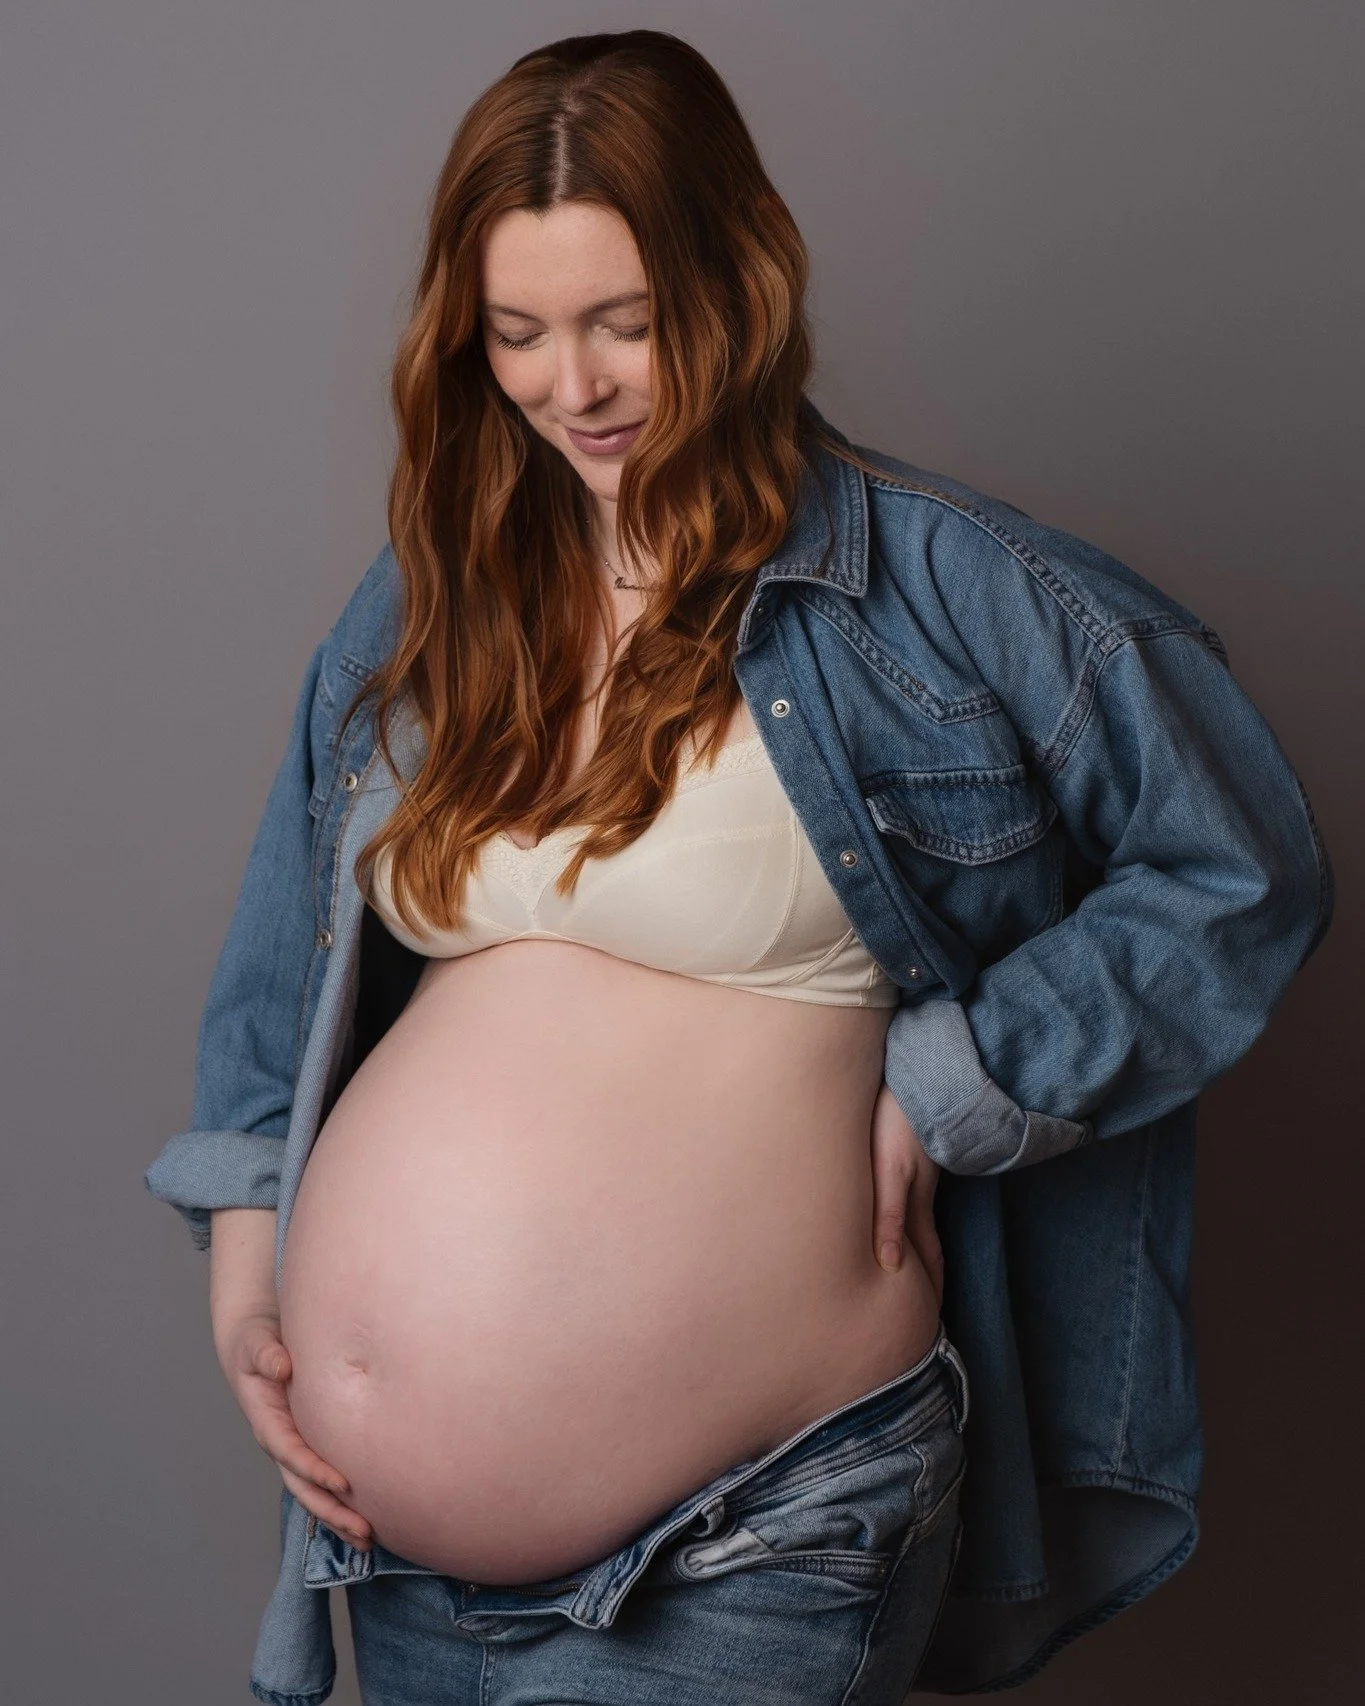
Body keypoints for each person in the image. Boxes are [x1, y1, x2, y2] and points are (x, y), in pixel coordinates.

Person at [144, 28, 1332, 1706]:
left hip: (762, 1525)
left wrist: (967, 1079)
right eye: (522, 334)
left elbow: (1242, 862)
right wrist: (255, 1284)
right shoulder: (419, 613)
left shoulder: (935, 585)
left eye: (628, 321)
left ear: (735, 274)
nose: (580, 385)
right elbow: (282, 978)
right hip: (392, 1557)